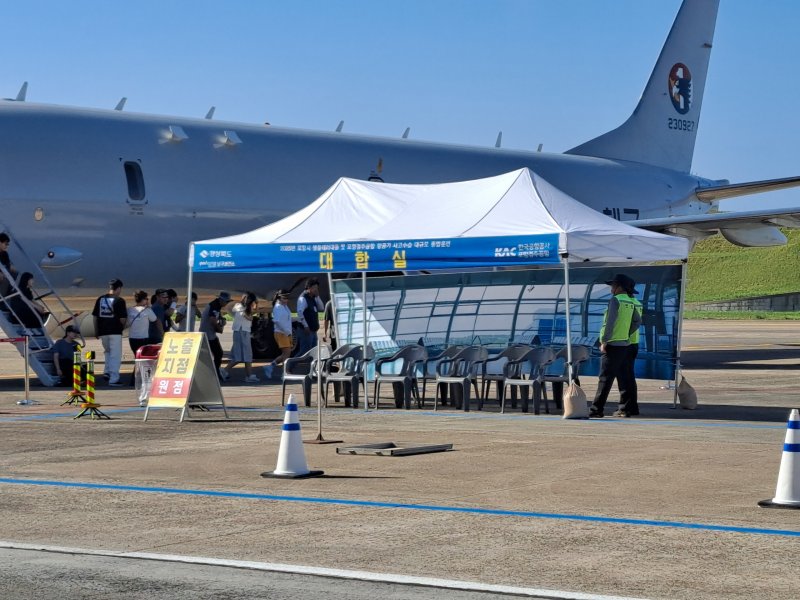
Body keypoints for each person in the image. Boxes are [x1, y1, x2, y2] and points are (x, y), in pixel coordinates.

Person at [589, 273, 641, 418]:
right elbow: (637, 321)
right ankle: (627, 408)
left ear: (619, 287)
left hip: (613, 344)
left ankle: (596, 409)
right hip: (625, 343)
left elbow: (610, 323)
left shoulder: (615, 300)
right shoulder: (631, 301)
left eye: (613, 285)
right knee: (626, 377)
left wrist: (604, 340)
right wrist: (626, 333)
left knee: (605, 378)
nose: (611, 288)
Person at [92, 278, 127, 386]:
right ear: (119, 288)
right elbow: (123, 319)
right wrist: (123, 327)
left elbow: (95, 317)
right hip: (115, 331)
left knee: (108, 351)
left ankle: (107, 371)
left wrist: (96, 330)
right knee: (115, 355)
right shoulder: (120, 301)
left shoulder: (100, 299)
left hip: (103, 331)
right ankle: (114, 379)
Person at [617, 279, 643, 417]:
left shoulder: (623, 303)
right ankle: (632, 406)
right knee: (629, 377)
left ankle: (625, 407)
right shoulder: (636, 303)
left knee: (623, 378)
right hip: (634, 343)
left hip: (625, 343)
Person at [223, 292, 259, 383]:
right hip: (241, 332)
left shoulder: (245, 308)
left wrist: (255, 305)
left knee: (246, 355)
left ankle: (249, 375)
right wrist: (252, 307)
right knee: (239, 356)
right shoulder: (239, 307)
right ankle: (223, 371)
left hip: (244, 332)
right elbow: (249, 318)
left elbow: (252, 313)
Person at [127, 290, 158, 385]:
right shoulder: (147, 310)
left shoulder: (130, 310)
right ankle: (140, 380)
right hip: (143, 338)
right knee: (143, 359)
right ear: (144, 299)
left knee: (137, 358)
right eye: (146, 299)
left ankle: (135, 379)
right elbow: (154, 319)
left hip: (132, 338)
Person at [200, 291, 231, 381]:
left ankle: (214, 372)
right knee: (218, 353)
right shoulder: (214, 306)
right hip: (208, 334)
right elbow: (212, 320)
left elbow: (216, 317)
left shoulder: (217, 305)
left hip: (210, 334)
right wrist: (220, 328)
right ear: (221, 300)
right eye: (226, 301)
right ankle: (214, 373)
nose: (227, 303)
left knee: (217, 354)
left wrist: (221, 319)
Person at [263, 290, 292, 379]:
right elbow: (277, 321)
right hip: (281, 333)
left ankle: (271, 367)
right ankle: (284, 373)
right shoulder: (278, 307)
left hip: (286, 332)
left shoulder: (284, 306)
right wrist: (286, 330)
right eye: (284, 298)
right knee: (286, 353)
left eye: (287, 298)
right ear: (279, 298)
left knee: (286, 354)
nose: (286, 300)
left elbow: (287, 318)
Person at [296, 278, 324, 355]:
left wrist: (318, 296)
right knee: (304, 352)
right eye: (314, 288)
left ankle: (311, 366)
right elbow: (300, 313)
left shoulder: (313, 298)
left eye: (317, 288)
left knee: (314, 351)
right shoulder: (303, 298)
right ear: (309, 288)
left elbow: (321, 308)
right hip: (306, 330)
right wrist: (305, 326)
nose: (316, 290)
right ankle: (289, 365)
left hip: (313, 330)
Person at [0, 232, 18, 298]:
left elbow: (8, 264)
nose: (7, 246)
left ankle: (7, 291)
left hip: (2, 273)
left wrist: (11, 266)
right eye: (5, 244)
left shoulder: (4, 254)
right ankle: (2, 297)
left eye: (8, 244)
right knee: (4, 278)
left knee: (15, 272)